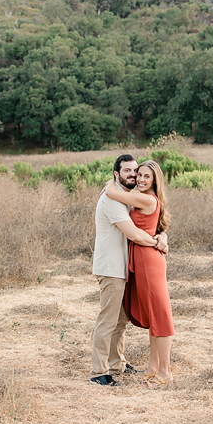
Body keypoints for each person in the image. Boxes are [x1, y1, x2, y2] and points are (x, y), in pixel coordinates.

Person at [90, 155, 167, 387]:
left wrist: (162, 235)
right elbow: (133, 233)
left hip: (126, 267)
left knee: (121, 320)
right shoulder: (111, 200)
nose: (133, 175)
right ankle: (98, 372)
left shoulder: (131, 197)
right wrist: (156, 243)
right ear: (116, 174)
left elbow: (152, 222)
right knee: (108, 320)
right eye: (128, 171)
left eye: (136, 171)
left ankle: (117, 363)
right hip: (111, 268)